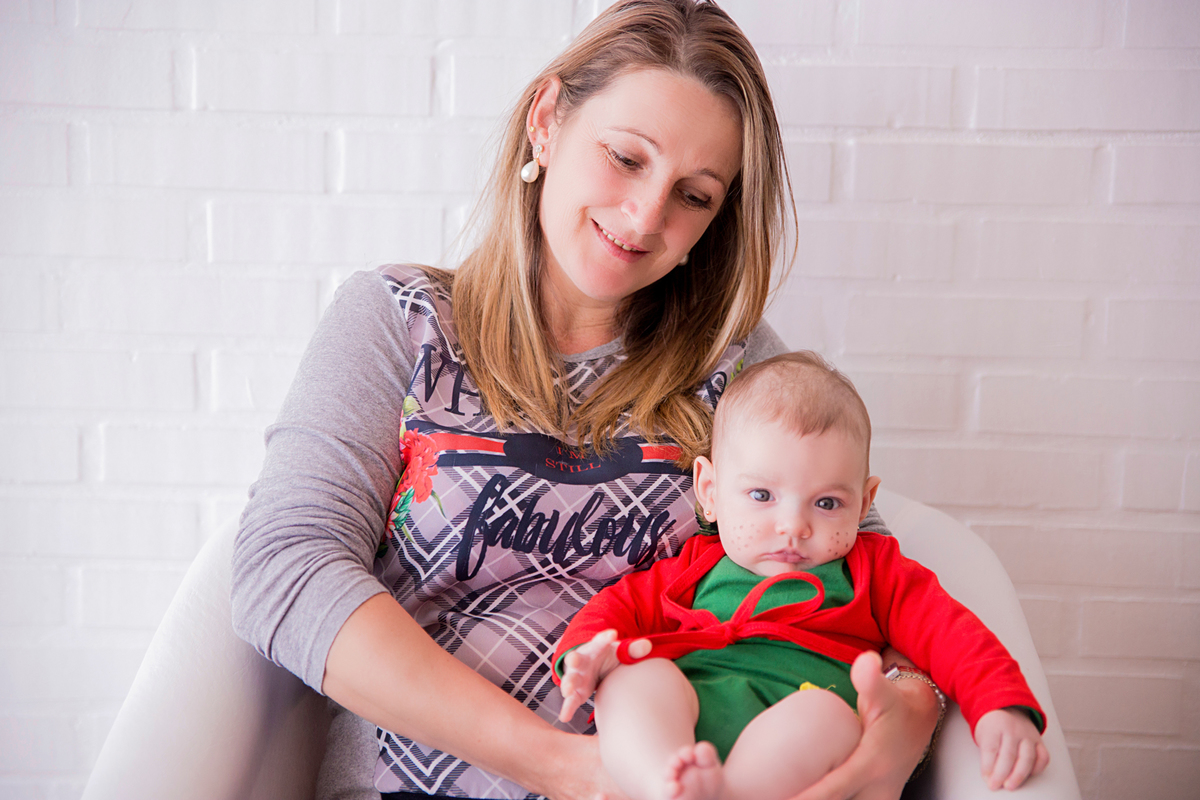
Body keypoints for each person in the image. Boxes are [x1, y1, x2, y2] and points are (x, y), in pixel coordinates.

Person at [230, 2, 942, 798]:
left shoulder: (734, 363)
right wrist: (560, 765)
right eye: (626, 157)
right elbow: (284, 567)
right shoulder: (401, 322)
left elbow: (870, 577)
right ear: (546, 122)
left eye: (694, 196)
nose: (646, 216)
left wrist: (904, 725)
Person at [553, 352, 1050, 800]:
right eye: (762, 496)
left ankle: (729, 794)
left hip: (797, 742)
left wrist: (1000, 706)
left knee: (826, 716)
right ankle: (662, 785)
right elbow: (613, 609)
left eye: (827, 503)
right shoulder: (691, 567)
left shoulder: (874, 571)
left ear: (864, 504)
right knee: (633, 676)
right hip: (686, 729)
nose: (793, 526)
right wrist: (586, 656)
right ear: (709, 491)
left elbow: (952, 634)